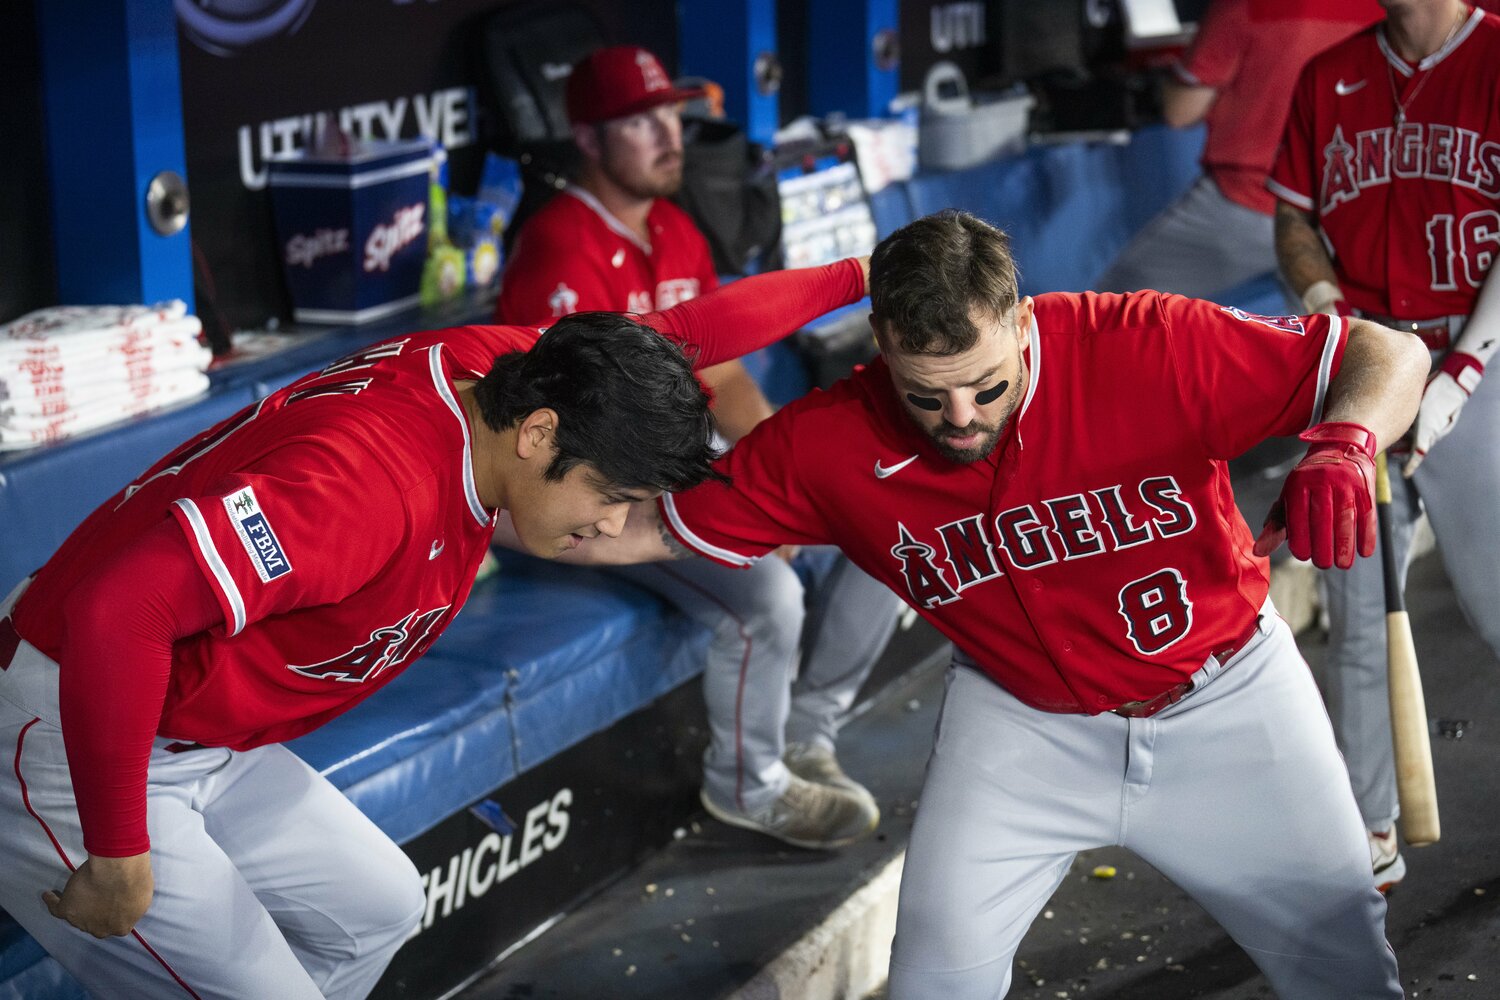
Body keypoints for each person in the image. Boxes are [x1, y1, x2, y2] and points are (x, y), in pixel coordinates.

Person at [525, 210, 1430, 998]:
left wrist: (1347, 442)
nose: (961, 417)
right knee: (934, 978)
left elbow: (1390, 352)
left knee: (1346, 968)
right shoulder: (829, 440)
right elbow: (633, 526)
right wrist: (506, 496)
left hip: (1228, 697)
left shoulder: (1144, 343)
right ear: (882, 347)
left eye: (987, 385)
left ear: (1023, 324)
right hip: (1020, 727)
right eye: (929, 395)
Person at [0, 257, 870, 998]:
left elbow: (678, 332)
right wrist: (118, 852)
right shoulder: (367, 487)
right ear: (539, 437)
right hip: (77, 726)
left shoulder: (512, 369)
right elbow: (120, 611)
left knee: (375, 910)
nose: (615, 526)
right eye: (610, 497)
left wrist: (864, 276)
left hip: (204, 739)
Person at [495, 44, 902, 849]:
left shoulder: (675, 227)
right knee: (769, 602)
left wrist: (787, 473)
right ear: (587, 137)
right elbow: (555, 446)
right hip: (588, 492)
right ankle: (746, 786)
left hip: (683, 462)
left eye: (672, 116)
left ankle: (808, 735)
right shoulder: (558, 248)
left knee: (882, 510)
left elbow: (729, 377)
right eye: (640, 122)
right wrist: (737, 508)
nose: (667, 136)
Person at [1269, 0, 1500, 892]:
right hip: (1366, 372)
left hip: (1478, 364)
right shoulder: (1327, 77)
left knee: (1495, 606)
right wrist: (1327, 310)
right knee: (1359, 612)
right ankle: (1366, 827)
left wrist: (1460, 380)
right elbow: (1294, 218)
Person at [1095, 0, 1380, 302]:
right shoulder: (1388, 8)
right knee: (1342, 339)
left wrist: (1170, 77)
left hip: (1247, 205)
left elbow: (1180, 111)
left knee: (1105, 312)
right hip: (1346, 211)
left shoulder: (1242, 5)